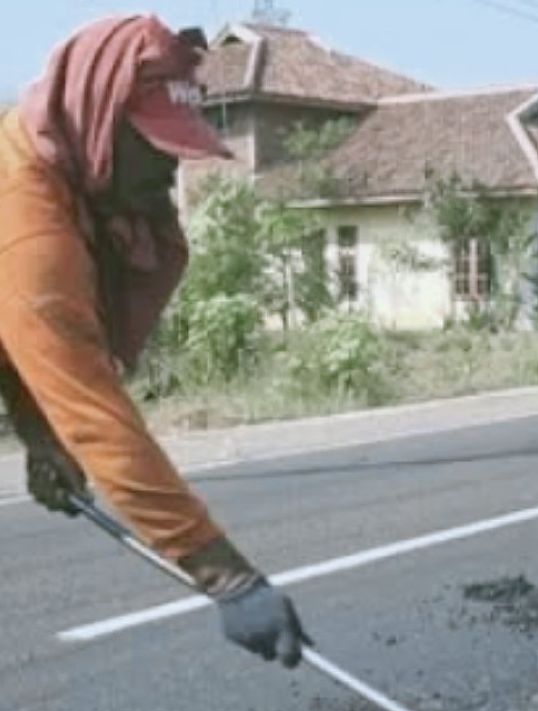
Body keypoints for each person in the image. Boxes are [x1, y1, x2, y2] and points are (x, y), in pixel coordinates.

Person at [0, 16, 308, 666]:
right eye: (153, 144)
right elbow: (93, 409)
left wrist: (39, 436)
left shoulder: (58, 165)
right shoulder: (31, 225)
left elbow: (20, 337)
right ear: (97, 117)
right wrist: (226, 575)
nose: (169, 168)